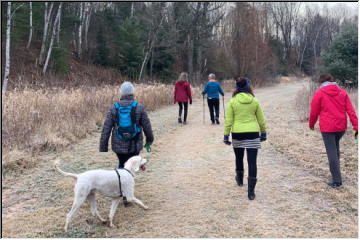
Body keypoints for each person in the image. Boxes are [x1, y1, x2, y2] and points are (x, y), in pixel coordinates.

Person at [309, 73, 358, 188]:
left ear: (321, 82)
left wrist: (311, 124)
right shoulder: (342, 92)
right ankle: (336, 174)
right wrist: (356, 127)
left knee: (332, 153)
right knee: (335, 150)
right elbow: (351, 111)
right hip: (341, 127)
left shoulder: (319, 93)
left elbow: (314, 112)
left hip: (327, 128)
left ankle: (337, 181)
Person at [223, 77, 266, 200]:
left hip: (238, 133)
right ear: (248, 86)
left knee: (239, 158)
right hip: (253, 132)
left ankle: (240, 180)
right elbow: (261, 120)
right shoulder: (254, 101)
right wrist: (263, 133)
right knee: (252, 162)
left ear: (237, 87)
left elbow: (228, 120)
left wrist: (226, 135)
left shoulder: (232, 101)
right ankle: (251, 192)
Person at [100, 81, 154, 168]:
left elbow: (106, 128)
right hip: (135, 145)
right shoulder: (139, 107)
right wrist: (149, 141)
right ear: (133, 93)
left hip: (118, 145)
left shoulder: (114, 108)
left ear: (121, 93)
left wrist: (103, 147)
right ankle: (128, 180)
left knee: (122, 164)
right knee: (132, 167)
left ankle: (121, 177)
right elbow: (147, 126)